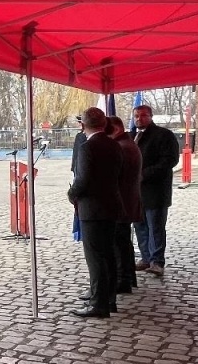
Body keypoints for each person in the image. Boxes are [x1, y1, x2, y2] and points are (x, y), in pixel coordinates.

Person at [68, 108, 122, 318]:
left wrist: (71, 194)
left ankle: (98, 304)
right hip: (112, 205)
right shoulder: (114, 144)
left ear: (83, 124)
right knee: (108, 255)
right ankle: (109, 300)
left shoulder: (87, 146)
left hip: (93, 208)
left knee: (95, 258)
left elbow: (83, 179)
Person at [132, 105, 179, 277]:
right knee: (140, 227)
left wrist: (144, 174)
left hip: (156, 191)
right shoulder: (133, 135)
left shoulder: (163, 135)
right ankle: (145, 258)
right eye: (136, 115)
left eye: (143, 115)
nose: (139, 119)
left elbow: (170, 160)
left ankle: (157, 261)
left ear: (151, 116)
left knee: (156, 228)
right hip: (136, 193)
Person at [106, 115, 141, 295]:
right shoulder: (127, 144)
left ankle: (123, 280)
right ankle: (127, 277)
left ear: (117, 129)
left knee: (119, 245)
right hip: (126, 202)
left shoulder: (121, 147)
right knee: (123, 243)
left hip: (121, 204)